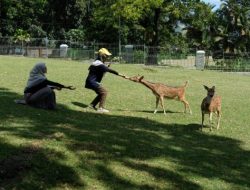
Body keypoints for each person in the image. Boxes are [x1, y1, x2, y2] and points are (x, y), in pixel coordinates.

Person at [85, 48, 127, 113]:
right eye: (106, 56)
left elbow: (97, 70)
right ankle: (100, 109)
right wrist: (121, 74)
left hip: (90, 82)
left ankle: (92, 105)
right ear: (102, 55)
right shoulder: (99, 64)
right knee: (104, 92)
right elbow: (110, 71)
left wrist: (105, 67)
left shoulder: (96, 62)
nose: (107, 57)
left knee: (101, 93)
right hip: (92, 82)